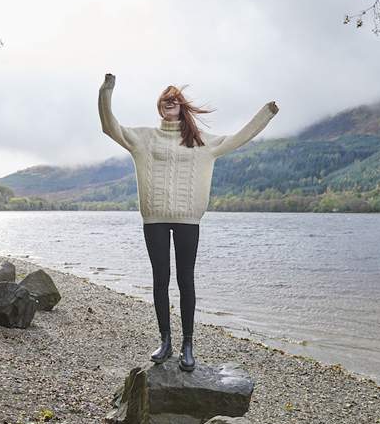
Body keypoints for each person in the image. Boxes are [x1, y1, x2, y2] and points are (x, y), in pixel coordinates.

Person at [98, 73, 278, 371]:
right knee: (160, 280)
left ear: (181, 107)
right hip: (154, 218)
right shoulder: (143, 138)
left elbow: (239, 138)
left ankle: (188, 344)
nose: (170, 103)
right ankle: (165, 341)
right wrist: (107, 90)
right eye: (165, 100)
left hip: (188, 221)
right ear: (160, 108)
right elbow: (109, 126)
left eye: (175, 100)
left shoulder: (202, 143)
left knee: (185, 280)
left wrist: (266, 114)